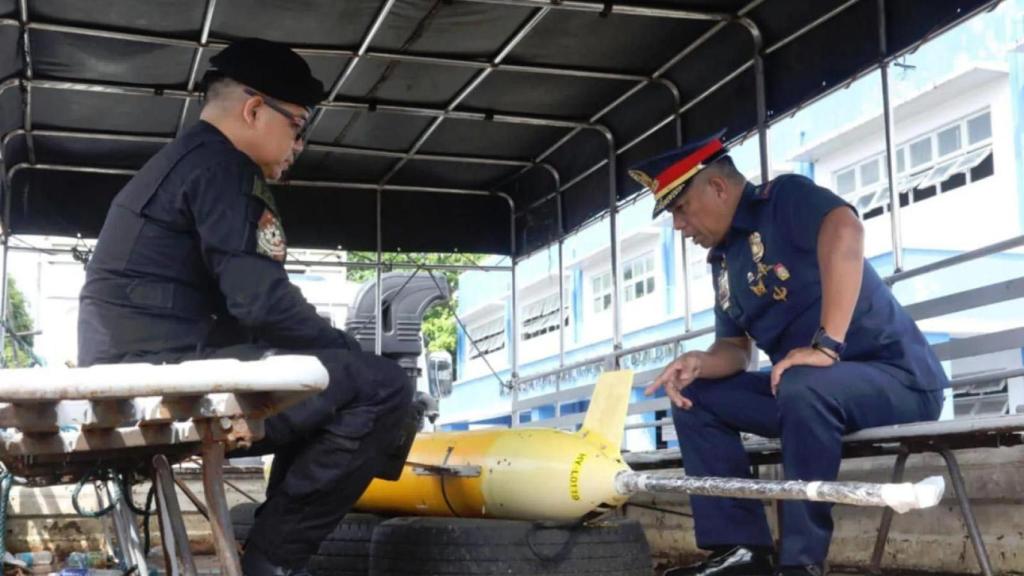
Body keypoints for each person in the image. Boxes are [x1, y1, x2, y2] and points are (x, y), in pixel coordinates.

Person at [77, 38, 414, 575]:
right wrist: (350, 352)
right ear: (255, 110)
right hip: (164, 376)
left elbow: (245, 305)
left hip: (141, 365)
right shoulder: (224, 167)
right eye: (298, 126)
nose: (298, 145)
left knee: (334, 383)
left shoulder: (185, 162)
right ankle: (272, 563)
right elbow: (263, 302)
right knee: (382, 386)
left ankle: (271, 550)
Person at [632, 131, 948, 576]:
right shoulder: (724, 262)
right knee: (694, 395)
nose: (679, 226)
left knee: (803, 384)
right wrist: (700, 362)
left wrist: (826, 345)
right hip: (808, 392)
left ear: (717, 187)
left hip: (897, 379)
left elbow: (846, 228)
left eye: (680, 208)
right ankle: (740, 552)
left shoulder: (783, 200)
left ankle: (801, 563)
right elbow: (734, 350)